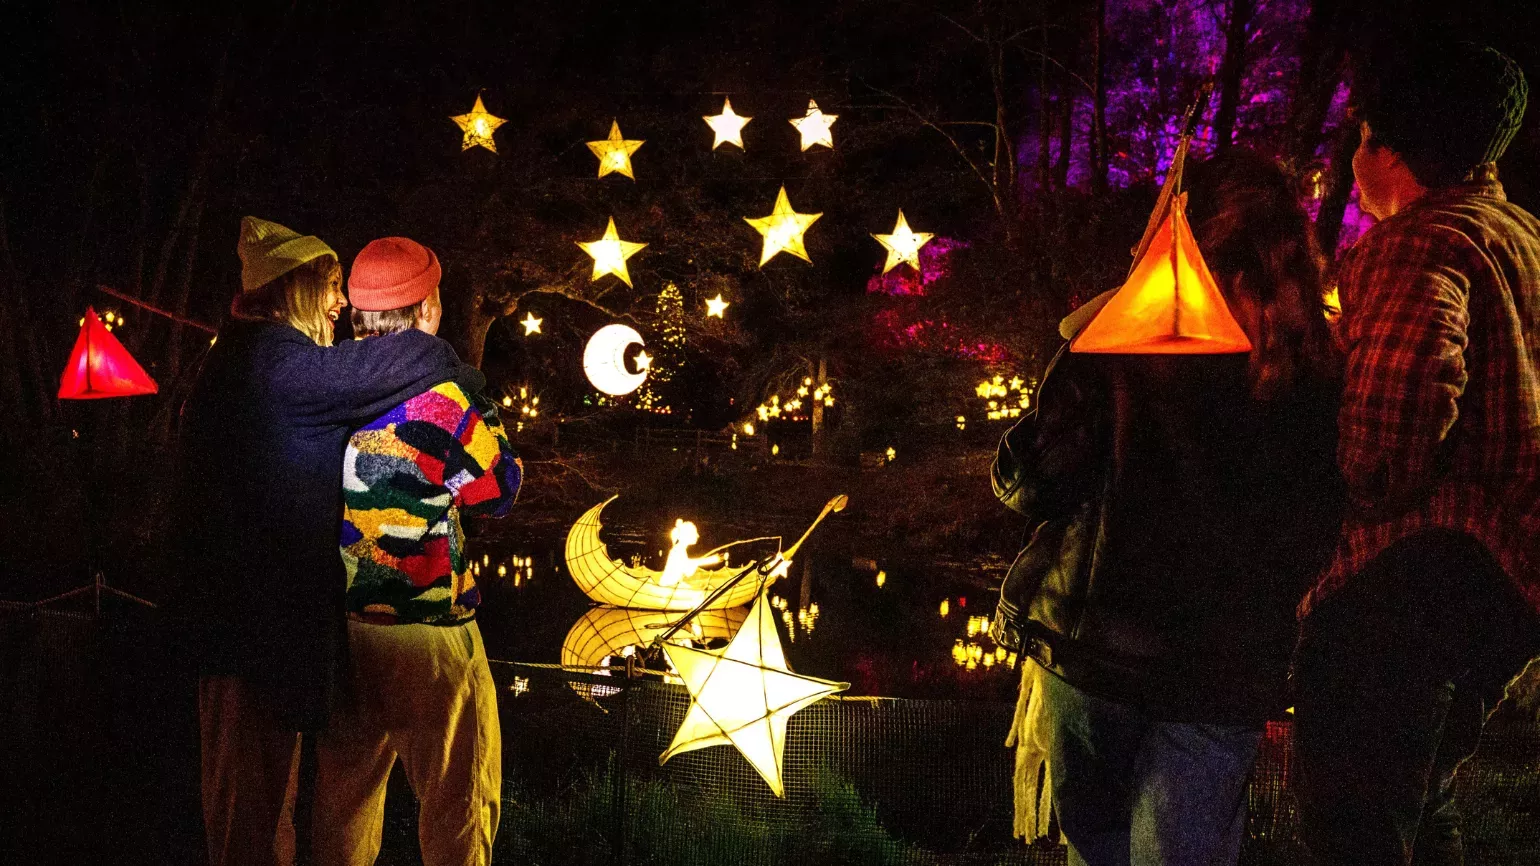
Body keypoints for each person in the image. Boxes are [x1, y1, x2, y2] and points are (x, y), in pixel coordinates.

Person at [990, 150, 1342, 866]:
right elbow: (1315, 525)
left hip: (1096, 656)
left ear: (1174, 230)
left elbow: (1029, 482)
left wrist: (1079, 347)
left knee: (1101, 850)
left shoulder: (1115, 341)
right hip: (1225, 670)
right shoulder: (1318, 363)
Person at [1292, 42, 1540, 866]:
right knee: (1425, 804)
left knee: (1355, 818)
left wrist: (1339, 481)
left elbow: (1389, 441)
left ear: (1391, 150)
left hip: (1415, 580)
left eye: (1364, 134)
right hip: (1510, 583)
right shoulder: (1523, 237)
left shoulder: (1415, 248)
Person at [175, 217, 484, 866]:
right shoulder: (274, 363)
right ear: (290, 288)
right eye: (330, 284)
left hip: (268, 631)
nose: (341, 302)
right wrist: (456, 369)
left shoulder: (254, 363)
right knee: (249, 827)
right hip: (249, 636)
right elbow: (402, 360)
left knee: (288, 819)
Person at [311, 237, 521, 866]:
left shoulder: (324, 395)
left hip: (342, 633)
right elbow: (498, 491)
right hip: (428, 634)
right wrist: (486, 413)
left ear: (355, 316)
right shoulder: (443, 404)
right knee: (459, 807)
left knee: (339, 814)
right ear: (428, 310)